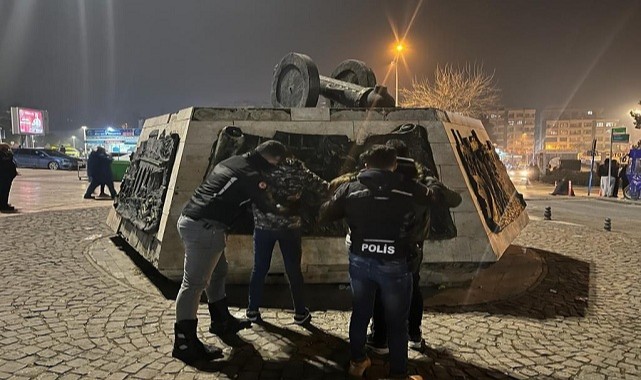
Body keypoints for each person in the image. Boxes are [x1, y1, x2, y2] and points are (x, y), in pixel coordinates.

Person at [173, 140, 288, 366]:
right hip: (206, 228)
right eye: (277, 163)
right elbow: (267, 206)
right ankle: (184, 343)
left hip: (199, 222)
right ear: (270, 158)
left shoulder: (236, 161)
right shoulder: (251, 175)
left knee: (218, 272)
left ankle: (221, 320)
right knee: (193, 285)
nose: (277, 167)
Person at [320, 145, 429, 380]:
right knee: (397, 322)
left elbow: (325, 214)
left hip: (361, 260)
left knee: (360, 313)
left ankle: (358, 362)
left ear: (367, 165)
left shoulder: (351, 188)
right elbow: (443, 202)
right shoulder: (411, 189)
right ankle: (398, 374)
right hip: (395, 263)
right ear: (395, 164)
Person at [367, 140, 461, 353]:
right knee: (412, 290)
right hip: (411, 248)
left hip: (386, 246)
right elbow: (454, 199)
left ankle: (380, 338)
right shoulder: (420, 180)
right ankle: (413, 335)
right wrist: (431, 186)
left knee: (381, 290)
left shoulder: (381, 178)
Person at [246, 156, 329, 324]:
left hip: (264, 227)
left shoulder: (262, 169)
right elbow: (323, 188)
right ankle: (300, 312)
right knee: (293, 271)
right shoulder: (299, 170)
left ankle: (252, 310)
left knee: (259, 269)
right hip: (290, 227)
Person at [0, 143, 18, 213]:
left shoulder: (6, 155)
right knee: (3, 191)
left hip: (7, 176)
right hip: (4, 176)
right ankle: (3, 205)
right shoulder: (3, 155)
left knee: (5, 191)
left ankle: (4, 204)